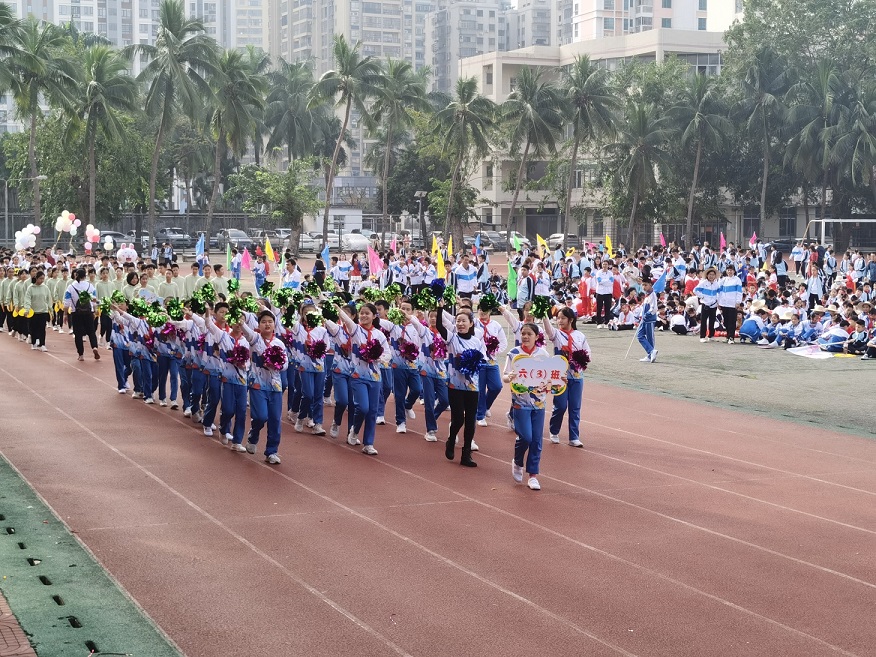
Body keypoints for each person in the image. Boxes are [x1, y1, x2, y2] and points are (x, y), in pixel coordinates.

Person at [324, 302, 390, 455]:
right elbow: (347, 321)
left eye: (367, 313)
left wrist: (379, 358)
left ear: (374, 316)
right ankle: (354, 429)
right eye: (362, 313)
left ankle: (368, 443)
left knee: (372, 411)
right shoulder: (355, 330)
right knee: (363, 407)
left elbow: (387, 353)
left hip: (374, 377)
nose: (364, 315)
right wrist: (338, 310)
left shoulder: (379, 335)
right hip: (357, 376)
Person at [503, 323, 553, 490]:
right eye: (523, 333)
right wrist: (509, 377)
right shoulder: (514, 354)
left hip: (539, 403)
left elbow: (549, 376)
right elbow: (505, 376)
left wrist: (555, 383)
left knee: (537, 440)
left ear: (536, 336)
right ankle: (518, 462)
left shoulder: (543, 354)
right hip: (520, 403)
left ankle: (533, 475)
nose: (525, 336)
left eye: (529, 334)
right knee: (526, 437)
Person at [239, 310, 288, 464]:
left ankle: (271, 451)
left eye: (270, 321)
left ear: (274, 325)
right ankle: (253, 435)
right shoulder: (255, 339)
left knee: (275, 419)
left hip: (275, 386)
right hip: (257, 384)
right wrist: (240, 322)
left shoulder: (279, 343)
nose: (267, 324)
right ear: (258, 325)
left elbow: (286, 364)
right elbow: (246, 331)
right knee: (261, 416)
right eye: (264, 321)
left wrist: (277, 365)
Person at [440, 304, 484, 467]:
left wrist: (474, 362)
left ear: (471, 323)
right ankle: (451, 440)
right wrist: (439, 308)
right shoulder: (452, 338)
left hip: (473, 386)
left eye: (464, 321)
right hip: (455, 384)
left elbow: (483, 359)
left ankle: (466, 454)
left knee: (471, 420)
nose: (460, 324)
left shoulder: (477, 341)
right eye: (458, 321)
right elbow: (439, 325)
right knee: (458, 419)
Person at [543, 307, 590, 446]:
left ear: (571, 319)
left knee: (575, 408)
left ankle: (574, 437)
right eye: (558, 318)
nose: (559, 321)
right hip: (559, 377)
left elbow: (587, 353)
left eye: (562, 318)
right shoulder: (556, 334)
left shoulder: (580, 336)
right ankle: (554, 430)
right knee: (561, 406)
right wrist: (544, 315)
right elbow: (548, 329)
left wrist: (579, 363)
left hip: (576, 376)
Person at [475, 296, 507, 426]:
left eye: (486, 310)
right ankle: (480, 415)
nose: (483, 312)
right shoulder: (473, 323)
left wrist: (494, 350)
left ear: (490, 311)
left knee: (496, 386)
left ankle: (486, 406)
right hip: (479, 361)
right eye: (481, 309)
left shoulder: (496, 325)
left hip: (492, 361)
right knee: (480, 389)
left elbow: (503, 343)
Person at [64, 268, 101, 362]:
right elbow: (94, 300)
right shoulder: (90, 286)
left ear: (76, 275)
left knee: (78, 334)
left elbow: (67, 303)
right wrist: (95, 310)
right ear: (85, 275)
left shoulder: (71, 287)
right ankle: (94, 347)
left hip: (76, 313)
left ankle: (81, 354)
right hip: (88, 312)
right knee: (91, 332)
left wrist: (65, 314)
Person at [23, 270, 51, 352]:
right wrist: (27, 309)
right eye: (40, 278)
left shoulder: (45, 288)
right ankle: (34, 343)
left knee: (42, 328)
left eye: (43, 279)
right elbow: (27, 299)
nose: (42, 280)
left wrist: (50, 310)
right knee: (33, 328)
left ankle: (42, 344)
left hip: (43, 311)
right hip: (33, 312)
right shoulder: (30, 288)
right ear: (36, 278)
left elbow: (48, 299)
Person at [717, 265, 743, 344]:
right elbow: (719, 291)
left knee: (732, 321)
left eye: (731, 270)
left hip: (732, 304)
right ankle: (727, 336)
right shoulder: (723, 280)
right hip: (724, 303)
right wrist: (719, 301)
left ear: (734, 271)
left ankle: (731, 337)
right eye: (728, 270)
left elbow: (739, 292)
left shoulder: (737, 280)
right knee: (726, 321)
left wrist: (738, 302)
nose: (729, 272)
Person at [635, 277, 659, 363]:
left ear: (650, 285)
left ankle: (650, 354)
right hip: (644, 319)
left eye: (645, 285)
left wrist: (646, 315)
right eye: (643, 285)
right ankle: (651, 351)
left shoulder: (653, 295)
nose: (644, 287)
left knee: (650, 337)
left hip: (649, 319)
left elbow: (654, 308)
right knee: (639, 336)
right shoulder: (647, 295)